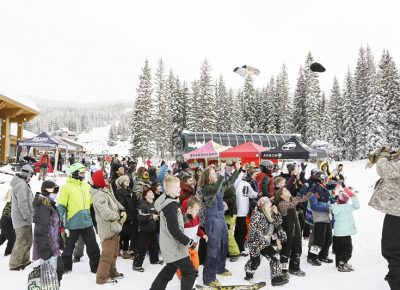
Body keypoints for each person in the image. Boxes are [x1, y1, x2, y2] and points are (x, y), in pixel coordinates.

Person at [150, 176, 198, 290]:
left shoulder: (170, 202)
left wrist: (188, 216)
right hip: (174, 246)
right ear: (169, 189)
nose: (179, 189)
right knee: (190, 272)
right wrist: (189, 242)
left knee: (170, 269)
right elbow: (174, 230)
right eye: (177, 187)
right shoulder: (170, 205)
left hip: (170, 245)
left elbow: (175, 223)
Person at [199, 162, 243, 286]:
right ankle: (209, 277)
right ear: (207, 177)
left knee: (224, 243)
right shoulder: (207, 188)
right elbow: (214, 190)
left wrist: (237, 171)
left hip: (221, 218)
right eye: (212, 174)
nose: (215, 176)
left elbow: (229, 183)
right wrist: (222, 174)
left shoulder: (218, 185)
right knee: (214, 248)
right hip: (212, 220)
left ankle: (219, 267)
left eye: (215, 173)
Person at [57, 163, 100, 273]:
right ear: (74, 173)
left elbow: (91, 202)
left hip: (87, 223)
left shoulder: (86, 186)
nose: (83, 174)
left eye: (84, 172)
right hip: (72, 224)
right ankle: (66, 269)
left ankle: (96, 268)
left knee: (93, 248)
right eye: (81, 172)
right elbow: (61, 206)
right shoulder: (66, 187)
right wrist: (57, 221)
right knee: (68, 249)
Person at [368, 147, 400, 289]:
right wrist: (375, 156)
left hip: (397, 214)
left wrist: (382, 157)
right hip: (396, 211)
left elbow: (385, 169)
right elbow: (392, 155)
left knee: (392, 250)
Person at [244, 197, 288, 286]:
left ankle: (277, 279)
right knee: (255, 262)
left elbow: (278, 222)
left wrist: (277, 213)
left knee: (274, 257)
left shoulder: (268, 214)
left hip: (264, 242)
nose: (271, 205)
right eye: (269, 204)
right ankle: (249, 272)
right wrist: (262, 242)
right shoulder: (257, 215)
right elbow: (254, 231)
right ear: (263, 205)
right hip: (255, 243)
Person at [92, 169, 126, 285]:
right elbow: (106, 213)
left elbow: (116, 202)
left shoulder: (107, 190)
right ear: (99, 180)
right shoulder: (98, 195)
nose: (107, 179)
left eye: (107, 176)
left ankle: (112, 271)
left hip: (114, 227)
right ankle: (101, 278)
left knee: (114, 252)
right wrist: (118, 216)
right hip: (107, 229)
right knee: (107, 254)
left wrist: (122, 210)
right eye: (104, 177)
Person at [275, 185, 313, 277]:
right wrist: (296, 200)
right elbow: (291, 205)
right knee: (285, 252)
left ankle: (294, 268)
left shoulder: (291, 200)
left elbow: (303, 199)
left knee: (297, 249)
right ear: (282, 196)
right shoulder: (282, 204)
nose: (288, 190)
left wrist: (311, 191)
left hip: (296, 231)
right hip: (287, 232)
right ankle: (283, 271)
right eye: (286, 190)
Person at [32, 180, 64, 283]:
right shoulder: (43, 207)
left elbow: (55, 226)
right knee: (49, 278)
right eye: (55, 189)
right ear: (47, 190)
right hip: (48, 249)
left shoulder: (49, 204)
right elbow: (41, 230)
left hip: (54, 246)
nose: (56, 192)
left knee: (57, 275)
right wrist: (45, 251)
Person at [307, 171, 336, 266]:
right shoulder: (313, 190)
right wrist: (327, 208)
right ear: (320, 180)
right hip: (319, 217)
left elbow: (330, 199)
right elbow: (314, 206)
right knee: (319, 240)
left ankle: (323, 255)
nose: (326, 181)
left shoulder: (325, 189)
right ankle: (312, 257)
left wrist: (337, 200)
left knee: (328, 239)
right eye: (325, 179)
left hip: (327, 217)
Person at [9, 165, 34, 271]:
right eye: (31, 174)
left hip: (24, 218)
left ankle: (24, 261)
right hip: (22, 219)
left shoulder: (22, 183)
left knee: (27, 241)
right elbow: (22, 203)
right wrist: (28, 216)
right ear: (27, 173)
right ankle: (15, 264)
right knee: (21, 241)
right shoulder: (21, 185)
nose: (31, 177)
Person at [176, 196, 207, 279]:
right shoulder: (182, 219)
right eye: (196, 210)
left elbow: (197, 229)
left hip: (194, 245)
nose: (198, 212)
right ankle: (181, 276)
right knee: (184, 263)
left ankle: (195, 272)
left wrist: (203, 234)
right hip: (184, 246)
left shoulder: (197, 217)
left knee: (196, 261)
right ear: (189, 208)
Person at [133, 187, 162, 271]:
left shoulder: (154, 203)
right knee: (142, 248)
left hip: (152, 228)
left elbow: (156, 214)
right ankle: (136, 265)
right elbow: (140, 216)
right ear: (145, 196)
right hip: (144, 230)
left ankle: (154, 260)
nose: (152, 193)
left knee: (154, 245)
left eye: (152, 192)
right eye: (149, 192)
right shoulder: (142, 204)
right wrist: (151, 216)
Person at [332, 188, 360, 272]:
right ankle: (342, 262)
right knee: (347, 249)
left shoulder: (334, 206)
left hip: (337, 233)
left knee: (339, 249)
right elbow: (357, 206)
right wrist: (353, 196)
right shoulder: (347, 207)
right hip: (345, 233)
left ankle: (339, 263)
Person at [234, 175, 258, 257]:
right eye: (243, 172)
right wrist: (241, 172)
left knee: (240, 230)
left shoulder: (247, 183)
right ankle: (240, 248)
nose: (244, 174)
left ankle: (238, 247)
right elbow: (236, 181)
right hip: (238, 210)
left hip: (244, 210)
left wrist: (259, 194)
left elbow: (252, 194)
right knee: (242, 230)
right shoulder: (236, 182)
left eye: (245, 173)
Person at [115, 175, 137, 259]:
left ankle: (123, 250)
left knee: (127, 234)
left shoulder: (129, 190)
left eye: (128, 180)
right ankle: (121, 250)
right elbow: (122, 205)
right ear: (121, 182)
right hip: (125, 216)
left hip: (130, 215)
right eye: (125, 180)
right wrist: (127, 215)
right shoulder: (119, 192)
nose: (128, 181)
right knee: (123, 234)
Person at [0, 189, 15, 256]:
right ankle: (8, 254)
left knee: (3, 236)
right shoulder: (13, 203)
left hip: (4, 222)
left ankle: (8, 254)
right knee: (12, 239)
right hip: (7, 222)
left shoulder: (9, 202)